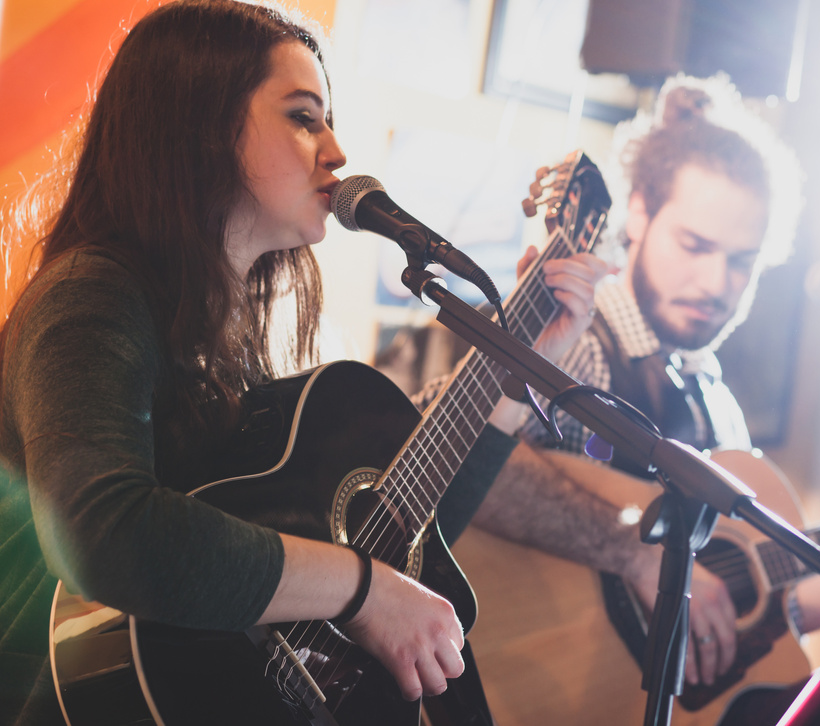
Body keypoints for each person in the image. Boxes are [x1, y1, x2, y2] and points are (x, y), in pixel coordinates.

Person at [0, 2, 607, 724]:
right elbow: (106, 536)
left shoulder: (226, 334)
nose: (337, 151)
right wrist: (364, 591)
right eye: (302, 116)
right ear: (198, 127)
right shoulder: (92, 296)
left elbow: (406, 534)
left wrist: (520, 380)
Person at [457, 74, 820, 724]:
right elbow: (467, 468)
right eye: (695, 246)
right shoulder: (581, 343)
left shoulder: (713, 398)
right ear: (638, 212)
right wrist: (629, 551)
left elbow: (780, 605)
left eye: (742, 262)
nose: (716, 283)